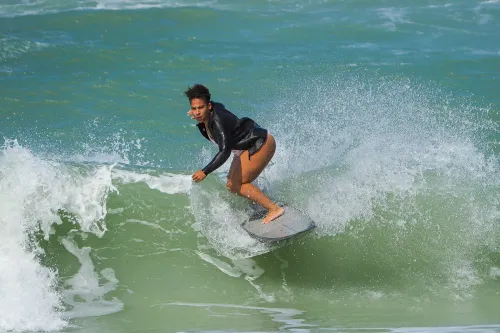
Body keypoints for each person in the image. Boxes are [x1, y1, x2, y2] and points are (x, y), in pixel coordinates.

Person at [186, 84, 285, 224]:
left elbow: (225, 151)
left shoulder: (217, 121)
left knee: (238, 185)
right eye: (194, 109)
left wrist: (205, 171)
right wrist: (199, 111)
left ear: (208, 106)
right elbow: (219, 104)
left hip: (260, 143)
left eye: (200, 108)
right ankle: (259, 201)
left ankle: (274, 209)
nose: (197, 113)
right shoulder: (212, 110)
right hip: (247, 147)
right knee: (231, 184)